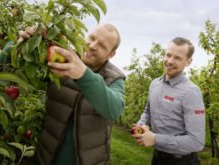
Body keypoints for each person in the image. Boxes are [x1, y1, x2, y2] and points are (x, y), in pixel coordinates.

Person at [19, 23, 125, 164]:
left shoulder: (115, 77)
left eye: (102, 46)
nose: (92, 46)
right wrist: (24, 44)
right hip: (46, 156)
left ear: (111, 54)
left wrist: (83, 74)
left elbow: (115, 110)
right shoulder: (61, 56)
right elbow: (22, 72)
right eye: (92, 38)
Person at [132, 37, 205, 165]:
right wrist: (141, 124)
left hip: (182, 161)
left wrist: (155, 139)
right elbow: (148, 111)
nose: (170, 61)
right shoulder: (154, 84)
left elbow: (196, 142)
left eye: (177, 58)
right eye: (168, 55)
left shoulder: (191, 92)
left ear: (188, 62)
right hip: (157, 158)